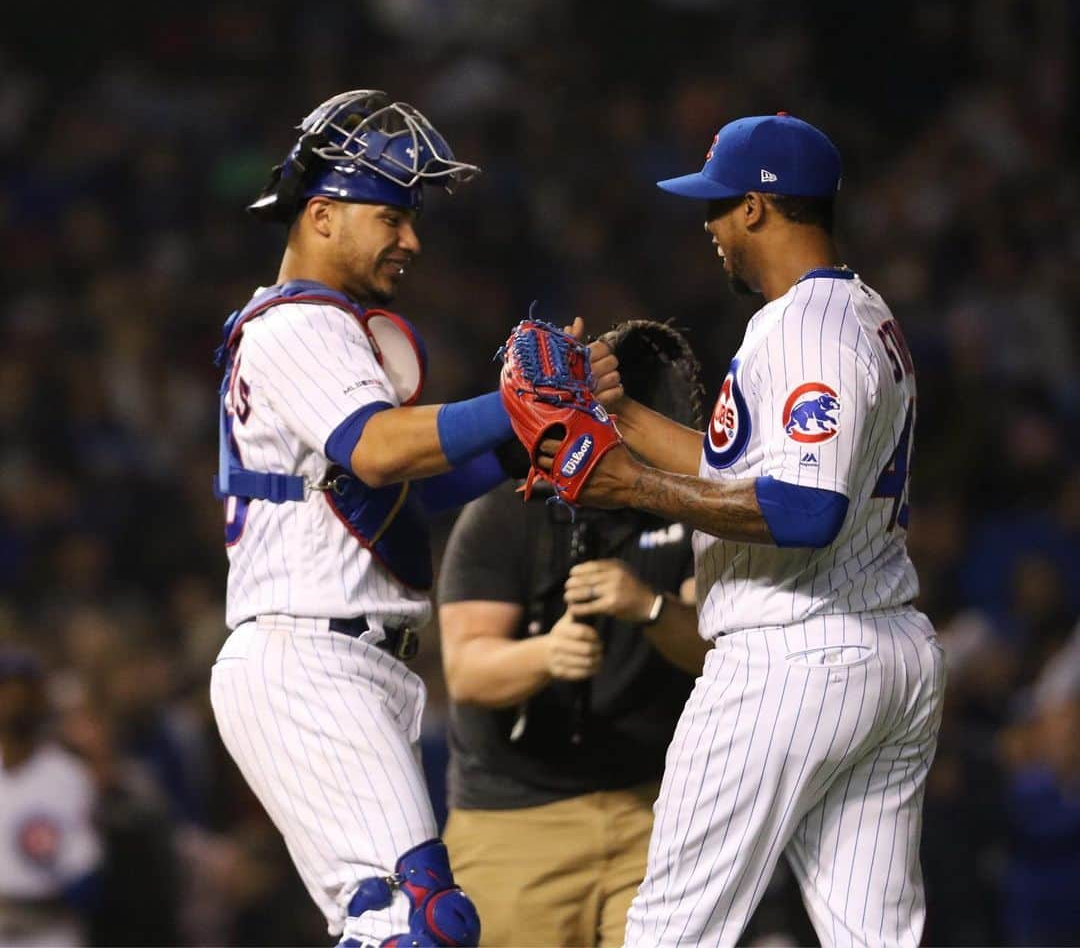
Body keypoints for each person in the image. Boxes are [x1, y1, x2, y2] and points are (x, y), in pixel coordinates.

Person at [566, 113, 946, 947]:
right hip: (881, 653)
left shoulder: (805, 328)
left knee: (672, 930)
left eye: (716, 206)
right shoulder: (855, 312)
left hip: (793, 658)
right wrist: (620, 417)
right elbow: (741, 470)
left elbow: (806, 510)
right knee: (873, 936)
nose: (708, 227)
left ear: (757, 210)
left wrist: (632, 485)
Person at [208, 90, 518, 948]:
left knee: (393, 923)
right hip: (308, 656)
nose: (411, 238)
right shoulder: (301, 320)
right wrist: (516, 404)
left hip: (346, 657)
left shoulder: (320, 325)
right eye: (391, 216)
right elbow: (378, 450)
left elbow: (394, 498)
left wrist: (524, 445)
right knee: (415, 924)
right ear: (322, 214)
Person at [437, 321, 710, 948]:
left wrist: (648, 608)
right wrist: (546, 654)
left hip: (653, 811)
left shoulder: (687, 508)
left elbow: (711, 653)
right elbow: (469, 671)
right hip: (515, 819)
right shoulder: (507, 512)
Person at [0, 646, 102, 948]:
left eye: (22, 693)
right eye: (6, 692)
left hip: (51, 938)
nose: (13, 703)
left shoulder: (68, 777)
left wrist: (17, 909)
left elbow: (87, 884)